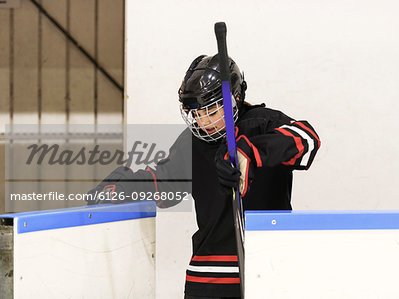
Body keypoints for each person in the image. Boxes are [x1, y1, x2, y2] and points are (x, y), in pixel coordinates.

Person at [88, 54, 321, 299]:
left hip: (270, 268)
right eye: (196, 112)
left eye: (212, 110)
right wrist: (122, 187)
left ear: (236, 97)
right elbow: (164, 184)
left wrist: (249, 152)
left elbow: (308, 140)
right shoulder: (192, 141)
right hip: (208, 275)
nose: (203, 120)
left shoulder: (264, 123)